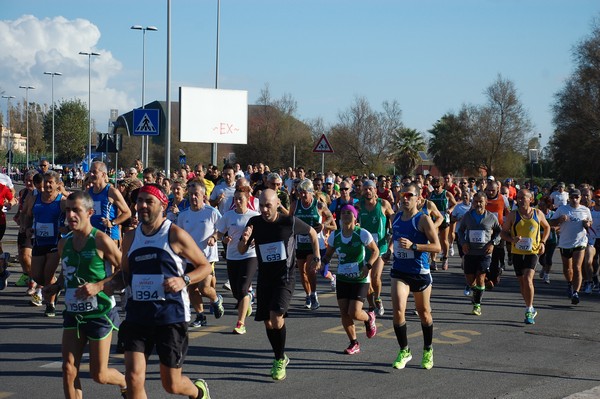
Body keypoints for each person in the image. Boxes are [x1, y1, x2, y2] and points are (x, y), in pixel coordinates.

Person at [116, 183, 212, 398]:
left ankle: (198, 392)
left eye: (149, 201)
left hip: (170, 316)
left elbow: (204, 266)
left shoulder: (175, 235)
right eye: (139, 201)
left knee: (172, 385)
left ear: (163, 205)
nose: (142, 205)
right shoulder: (130, 238)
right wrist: (99, 287)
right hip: (138, 316)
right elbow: (123, 275)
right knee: (132, 379)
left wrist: (184, 280)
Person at [43, 191, 127, 398]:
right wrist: (57, 286)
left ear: (89, 212)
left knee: (99, 374)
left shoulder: (101, 240)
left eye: (76, 210)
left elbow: (126, 271)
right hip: (73, 313)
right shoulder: (65, 243)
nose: (70, 215)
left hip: (100, 313)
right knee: (69, 368)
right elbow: (67, 272)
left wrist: (99, 285)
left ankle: (127, 383)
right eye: (68, 210)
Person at [238, 189, 320, 381]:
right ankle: (280, 356)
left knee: (276, 317)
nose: (264, 209)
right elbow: (242, 250)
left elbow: (313, 233)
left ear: (277, 204)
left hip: (285, 277)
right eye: (261, 206)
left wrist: (316, 256)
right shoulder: (254, 223)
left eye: (268, 205)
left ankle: (279, 359)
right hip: (265, 278)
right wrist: (243, 239)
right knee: (267, 321)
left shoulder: (288, 221)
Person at [389, 183, 441, 370]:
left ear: (418, 199)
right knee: (398, 310)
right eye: (403, 194)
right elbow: (394, 238)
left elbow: (437, 247)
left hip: (419, 272)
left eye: (410, 195)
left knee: (424, 313)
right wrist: (390, 250)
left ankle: (428, 349)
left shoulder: (423, 219)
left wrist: (414, 246)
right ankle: (405, 350)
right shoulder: (395, 218)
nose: (405, 198)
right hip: (400, 271)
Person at [322, 204, 379, 355]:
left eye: (349, 213)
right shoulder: (336, 236)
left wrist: (368, 265)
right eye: (343, 213)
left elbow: (375, 251)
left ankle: (368, 318)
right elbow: (328, 255)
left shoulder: (361, 233)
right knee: (344, 313)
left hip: (360, 279)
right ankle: (354, 343)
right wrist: (321, 264)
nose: (346, 215)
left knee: (354, 312)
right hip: (342, 278)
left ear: (355, 217)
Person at [176, 181, 225, 328]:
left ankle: (216, 299)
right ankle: (200, 316)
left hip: (207, 258)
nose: (193, 197)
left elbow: (222, 230)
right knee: (191, 288)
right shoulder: (183, 215)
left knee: (204, 288)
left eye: (196, 194)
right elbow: (178, 235)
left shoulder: (211, 212)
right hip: (189, 258)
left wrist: (214, 237)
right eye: (190, 194)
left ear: (203, 195)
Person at [501, 189, 550, 323]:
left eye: (524, 197)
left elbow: (547, 227)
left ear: (531, 199)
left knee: (528, 279)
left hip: (532, 252)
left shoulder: (537, 213)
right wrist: (512, 240)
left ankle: (528, 309)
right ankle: (530, 306)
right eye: (519, 198)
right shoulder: (513, 215)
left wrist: (543, 242)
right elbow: (503, 233)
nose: (521, 200)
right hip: (517, 253)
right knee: (522, 283)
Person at [215, 186, 260, 334]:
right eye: (235, 198)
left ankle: (241, 323)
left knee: (242, 288)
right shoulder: (228, 216)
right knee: (236, 292)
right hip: (232, 256)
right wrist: (223, 239)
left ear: (248, 199)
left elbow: (264, 234)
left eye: (241, 198)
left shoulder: (255, 216)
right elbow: (219, 233)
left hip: (250, 256)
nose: (238, 201)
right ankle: (246, 301)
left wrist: (256, 240)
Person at [24, 170, 67, 315]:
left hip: (55, 243)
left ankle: (50, 304)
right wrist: (27, 228)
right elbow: (27, 215)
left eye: (51, 182)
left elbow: (76, 216)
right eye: (45, 181)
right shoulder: (34, 198)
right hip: (38, 242)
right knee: (37, 276)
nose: (47, 185)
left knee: (47, 275)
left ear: (57, 185)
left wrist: (66, 228)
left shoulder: (61, 201)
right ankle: (55, 285)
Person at [289, 179, 336, 310]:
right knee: (302, 272)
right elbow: (288, 221)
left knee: (311, 270)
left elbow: (333, 222)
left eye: (305, 193)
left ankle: (314, 294)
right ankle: (308, 295)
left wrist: (323, 225)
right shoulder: (295, 205)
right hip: (299, 243)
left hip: (313, 244)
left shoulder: (318, 205)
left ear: (311, 193)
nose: (303, 195)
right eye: (300, 193)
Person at [457, 192, 502, 316]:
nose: (478, 204)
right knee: (470, 280)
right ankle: (476, 293)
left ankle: (477, 305)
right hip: (470, 252)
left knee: (480, 277)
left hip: (484, 252)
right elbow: (460, 231)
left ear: (486, 202)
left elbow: (499, 231)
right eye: (476, 201)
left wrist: (493, 243)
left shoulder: (491, 217)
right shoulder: (467, 216)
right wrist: (463, 242)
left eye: (481, 201)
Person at [549, 188, 593, 305]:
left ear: (580, 198)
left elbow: (589, 222)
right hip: (565, 243)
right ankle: (569, 283)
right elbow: (550, 223)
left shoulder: (585, 210)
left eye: (576, 197)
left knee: (577, 267)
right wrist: (559, 219)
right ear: (569, 198)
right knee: (567, 268)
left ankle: (576, 292)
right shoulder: (562, 209)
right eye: (572, 197)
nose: (574, 200)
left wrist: (587, 224)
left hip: (580, 242)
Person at [358, 179, 395, 316]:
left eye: (370, 189)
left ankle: (378, 298)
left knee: (375, 276)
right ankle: (372, 305)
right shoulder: (359, 205)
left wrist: (391, 242)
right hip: (365, 247)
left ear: (375, 190)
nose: (367, 191)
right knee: (365, 278)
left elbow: (394, 220)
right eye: (365, 189)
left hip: (380, 247)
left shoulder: (383, 204)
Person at [88, 161, 132, 244]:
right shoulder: (88, 192)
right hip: (92, 236)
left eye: (94, 172)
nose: (91, 175)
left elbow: (127, 213)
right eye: (90, 172)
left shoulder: (111, 192)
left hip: (109, 236)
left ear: (103, 174)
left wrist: (112, 222)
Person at [428, 177, 457, 270]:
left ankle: (445, 258)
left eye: (437, 186)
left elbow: (455, 204)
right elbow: (427, 205)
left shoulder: (446, 194)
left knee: (444, 240)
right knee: (433, 240)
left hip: (444, 219)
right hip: (434, 219)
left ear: (442, 185)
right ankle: (433, 261)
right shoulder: (431, 194)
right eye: (434, 186)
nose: (436, 189)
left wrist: (450, 210)